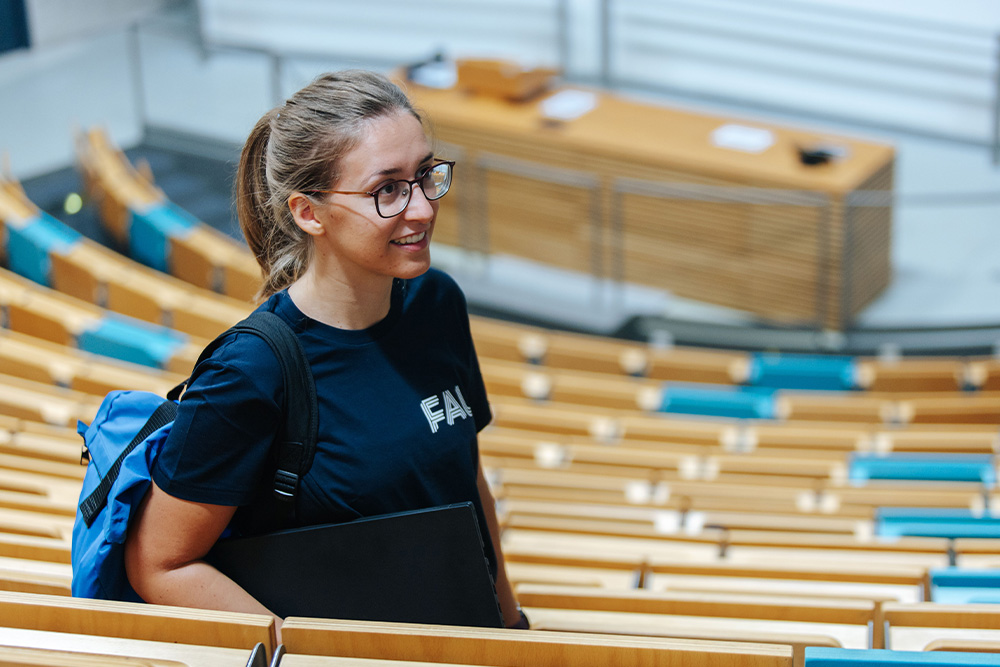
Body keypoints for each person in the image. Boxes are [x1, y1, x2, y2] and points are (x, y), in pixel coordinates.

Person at [123, 69, 526, 636]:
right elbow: (159, 562)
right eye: (387, 188)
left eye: (424, 175)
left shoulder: (436, 301)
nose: (422, 209)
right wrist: (306, 653)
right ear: (309, 213)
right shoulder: (251, 369)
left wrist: (509, 619)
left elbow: (466, 477)